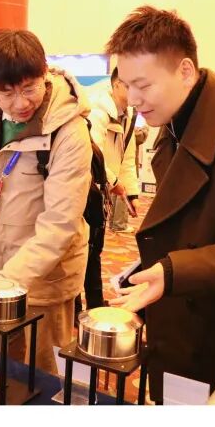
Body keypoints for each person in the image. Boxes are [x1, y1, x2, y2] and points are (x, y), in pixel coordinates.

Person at [107, 5, 215, 397]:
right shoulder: (177, 123)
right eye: (126, 84)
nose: (133, 98)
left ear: (186, 71)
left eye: (144, 84)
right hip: (184, 321)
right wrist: (156, 266)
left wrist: (175, 271)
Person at [0, 29, 93, 375]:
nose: (21, 103)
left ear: (45, 72)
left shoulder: (69, 132)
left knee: (44, 376)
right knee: (4, 372)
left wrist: (4, 283)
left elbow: (60, 224)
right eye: (7, 92)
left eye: (29, 88)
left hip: (45, 283)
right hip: (0, 272)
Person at [83, 67, 140, 307]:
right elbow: (90, 152)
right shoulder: (97, 109)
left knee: (94, 246)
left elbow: (127, 156)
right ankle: (81, 304)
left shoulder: (128, 113)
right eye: (130, 85)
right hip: (85, 187)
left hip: (102, 189)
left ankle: (94, 302)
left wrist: (131, 193)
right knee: (83, 247)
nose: (136, 91)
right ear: (116, 85)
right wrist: (113, 182)